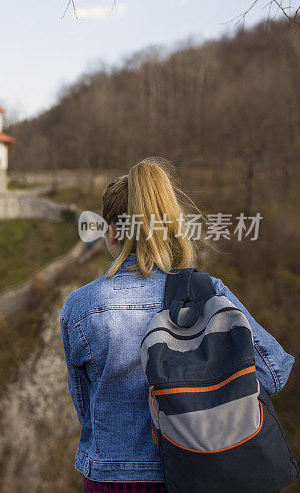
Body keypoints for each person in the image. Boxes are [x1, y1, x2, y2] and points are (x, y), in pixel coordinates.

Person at [59, 157, 295, 492]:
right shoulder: (207, 293)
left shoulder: (81, 306)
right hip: (200, 474)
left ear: (112, 233)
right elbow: (275, 373)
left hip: (113, 477)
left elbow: (86, 408)